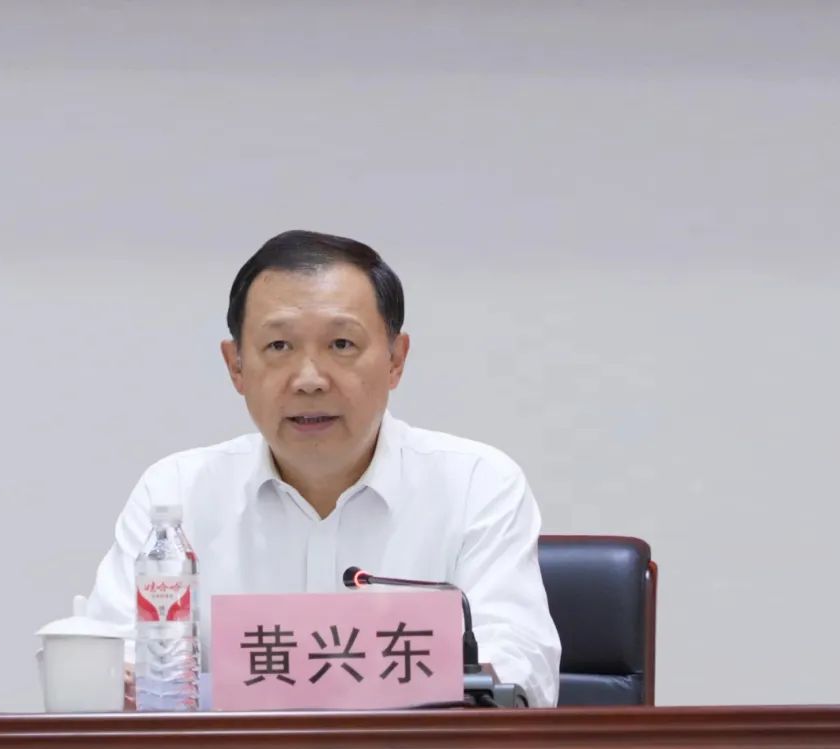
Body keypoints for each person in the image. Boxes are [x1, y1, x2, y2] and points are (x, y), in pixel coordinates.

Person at [86, 230, 561, 707]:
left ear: (395, 360)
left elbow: (517, 666)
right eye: (279, 346)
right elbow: (113, 667)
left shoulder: (476, 486)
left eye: (341, 343)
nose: (310, 379)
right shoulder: (175, 496)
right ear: (236, 367)